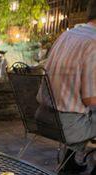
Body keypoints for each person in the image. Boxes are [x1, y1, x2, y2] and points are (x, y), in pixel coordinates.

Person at [36, 0, 96, 149]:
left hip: (43, 119)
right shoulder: (93, 43)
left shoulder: (66, 36)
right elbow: (90, 99)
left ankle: (71, 162)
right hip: (68, 127)